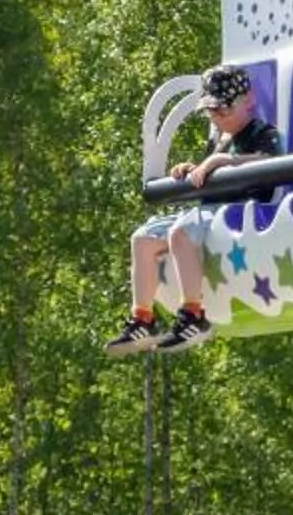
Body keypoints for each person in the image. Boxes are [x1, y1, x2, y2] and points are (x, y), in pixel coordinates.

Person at [109, 63, 281, 356]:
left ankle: (193, 315)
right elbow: (209, 171)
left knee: (180, 233)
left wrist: (222, 163)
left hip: (241, 213)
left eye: (224, 110)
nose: (218, 117)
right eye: (212, 112)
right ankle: (142, 318)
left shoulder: (262, 133)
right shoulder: (220, 141)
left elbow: (268, 163)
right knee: (142, 238)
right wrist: (191, 169)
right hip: (210, 211)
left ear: (248, 100)